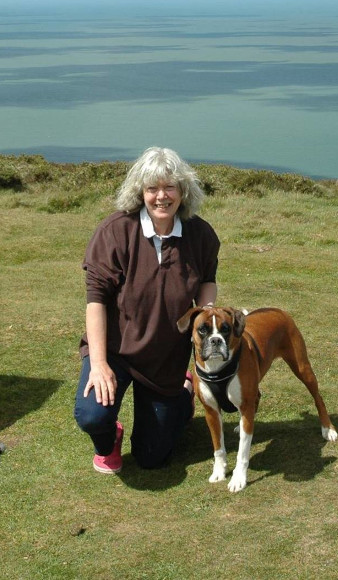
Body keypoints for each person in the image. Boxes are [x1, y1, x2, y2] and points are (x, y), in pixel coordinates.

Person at [73, 146, 219, 473]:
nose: (161, 196)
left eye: (170, 187)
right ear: (140, 192)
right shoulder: (114, 232)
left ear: (184, 190)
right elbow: (95, 300)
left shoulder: (201, 234)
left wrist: (207, 319)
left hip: (165, 356)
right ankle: (108, 440)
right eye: (152, 188)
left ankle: (183, 393)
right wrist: (98, 364)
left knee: (152, 458)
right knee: (93, 414)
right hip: (116, 351)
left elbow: (207, 280)